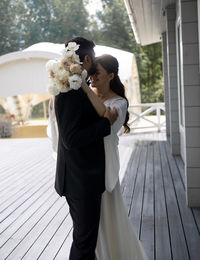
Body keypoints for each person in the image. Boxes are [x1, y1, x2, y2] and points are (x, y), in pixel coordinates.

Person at [53, 38, 118, 260]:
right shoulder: (69, 91)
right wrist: (104, 125)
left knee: (85, 240)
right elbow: (70, 139)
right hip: (80, 180)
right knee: (84, 243)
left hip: (80, 177)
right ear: (87, 59)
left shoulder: (76, 87)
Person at [81, 54, 148, 260]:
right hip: (84, 164)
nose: (91, 78)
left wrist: (82, 86)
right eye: (90, 74)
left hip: (104, 165)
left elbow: (106, 122)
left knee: (107, 216)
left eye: (96, 74)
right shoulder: (87, 95)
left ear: (111, 75)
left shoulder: (119, 103)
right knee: (86, 221)